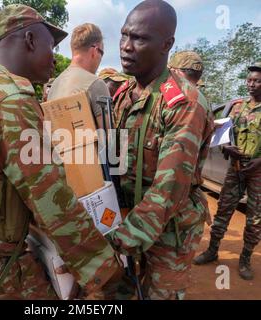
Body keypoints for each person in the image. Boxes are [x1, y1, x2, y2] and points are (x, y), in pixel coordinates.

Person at [0, 4, 128, 300]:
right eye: (50, 46)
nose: (54, 58)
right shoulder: (10, 99)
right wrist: (105, 267)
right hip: (0, 268)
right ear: (29, 40)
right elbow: (49, 197)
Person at [105, 0, 214, 300]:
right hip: (127, 219)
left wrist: (120, 241)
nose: (126, 46)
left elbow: (170, 188)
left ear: (167, 44)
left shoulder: (184, 102)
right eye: (124, 35)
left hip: (169, 230)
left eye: (139, 38)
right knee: (118, 293)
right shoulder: (125, 94)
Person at [193, 61, 261, 281]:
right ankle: (212, 251)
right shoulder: (238, 106)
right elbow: (221, 133)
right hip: (235, 168)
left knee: (254, 219)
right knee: (223, 210)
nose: (251, 84)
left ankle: (244, 260)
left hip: (257, 172)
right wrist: (226, 147)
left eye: (257, 81)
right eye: (249, 80)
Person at [48, 23, 110, 128]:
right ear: (95, 51)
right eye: (101, 53)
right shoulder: (96, 84)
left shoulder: (54, 86)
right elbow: (109, 138)